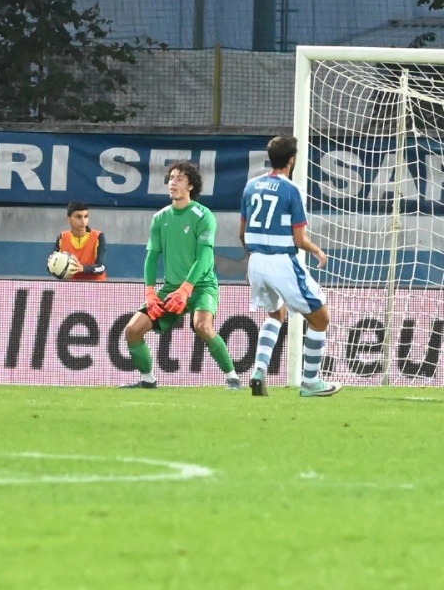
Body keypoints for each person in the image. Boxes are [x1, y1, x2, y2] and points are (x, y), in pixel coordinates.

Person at [119, 161, 242, 389]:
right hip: (171, 288)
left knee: (202, 326)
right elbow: (151, 257)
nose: (172, 183)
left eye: (179, 178)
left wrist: (187, 289)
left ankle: (233, 378)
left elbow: (204, 258)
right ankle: (148, 381)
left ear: (191, 186)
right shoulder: (160, 218)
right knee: (132, 331)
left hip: (201, 286)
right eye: (171, 178)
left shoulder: (204, 216)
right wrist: (149, 292)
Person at [238, 135, 341, 398]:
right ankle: (310, 382)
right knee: (320, 319)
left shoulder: (251, 186)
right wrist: (317, 250)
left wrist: (254, 259)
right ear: (292, 160)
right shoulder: (291, 190)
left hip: (256, 261)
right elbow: (299, 239)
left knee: (275, 315)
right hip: (282, 261)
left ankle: (259, 371)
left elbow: (242, 232)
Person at [49, 200, 108, 280]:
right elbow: (54, 269)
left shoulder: (98, 237)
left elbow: (101, 267)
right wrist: (52, 265)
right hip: (72, 289)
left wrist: (82, 268)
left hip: (96, 288)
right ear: (68, 219)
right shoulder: (62, 238)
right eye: (78, 217)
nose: (83, 221)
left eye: (86, 216)